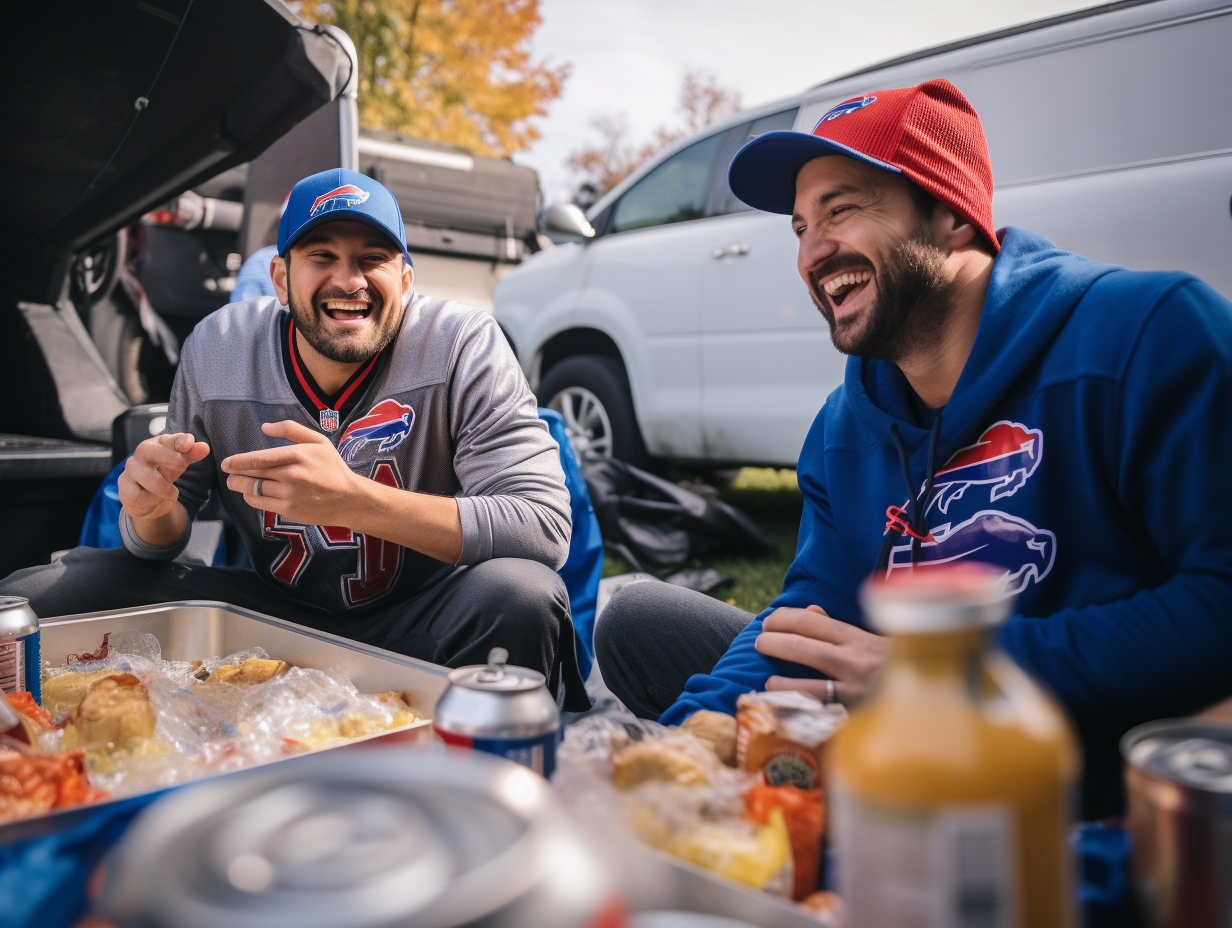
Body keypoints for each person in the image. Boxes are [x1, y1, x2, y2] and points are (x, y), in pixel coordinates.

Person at [595, 79, 1232, 816]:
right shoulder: (844, 423)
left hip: (1093, 785)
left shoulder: (1148, 336)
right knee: (640, 622)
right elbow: (817, 606)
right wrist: (674, 749)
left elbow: (1220, 598)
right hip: (896, 744)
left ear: (952, 215)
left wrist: (936, 677)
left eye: (843, 209)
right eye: (800, 227)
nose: (812, 253)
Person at [3, 168, 589, 711]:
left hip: (421, 613)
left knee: (523, 594)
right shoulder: (220, 348)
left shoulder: (462, 344)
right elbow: (163, 540)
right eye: (321, 256)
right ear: (281, 278)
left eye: (373, 258)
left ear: (406, 280)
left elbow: (542, 529)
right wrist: (150, 512)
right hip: (272, 612)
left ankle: (498, 781)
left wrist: (351, 501)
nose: (349, 279)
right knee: (35, 597)